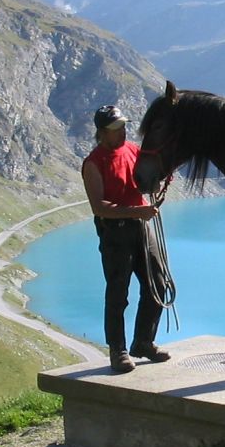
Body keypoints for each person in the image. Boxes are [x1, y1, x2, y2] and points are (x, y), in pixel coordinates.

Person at [82, 105, 171, 373]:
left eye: (122, 126)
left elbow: (144, 182)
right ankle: (117, 351)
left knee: (158, 282)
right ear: (101, 133)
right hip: (115, 232)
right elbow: (99, 207)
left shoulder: (133, 150)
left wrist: (156, 184)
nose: (122, 131)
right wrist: (138, 211)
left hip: (141, 226)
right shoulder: (93, 163)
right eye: (115, 129)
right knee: (118, 292)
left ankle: (143, 341)